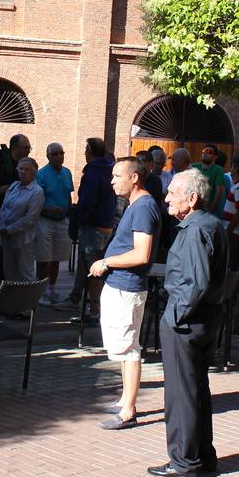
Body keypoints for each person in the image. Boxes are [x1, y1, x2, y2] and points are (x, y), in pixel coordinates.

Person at [149, 168, 227, 477]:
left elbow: (195, 281)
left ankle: (184, 460)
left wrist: (175, 316)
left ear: (192, 198)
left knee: (182, 393)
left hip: (188, 322)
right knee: (195, 390)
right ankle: (200, 456)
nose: (167, 198)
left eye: (173, 193)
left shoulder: (196, 229)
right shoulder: (208, 225)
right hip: (200, 319)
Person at [91, 158, 161, 431]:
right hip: (120, 286)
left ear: (134, 178)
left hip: (127, 287)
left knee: (130, 349)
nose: (112, 180)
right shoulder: (137, 205)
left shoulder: (144, 207)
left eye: (117, 175)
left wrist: (106, 262)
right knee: (123, 347)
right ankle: (124, 400)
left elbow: (141, 253)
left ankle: (129, 411)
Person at [66, 138, 116, 320]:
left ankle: (95, 310)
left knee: (93, 268)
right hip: (106, 224)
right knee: (86, 264)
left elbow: (88, 199)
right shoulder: (110, 169)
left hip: (93, 225)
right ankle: (75, 298)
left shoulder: (94, 171)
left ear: (90, 151)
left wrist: (81, 219)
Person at [36, 142, 74, 307]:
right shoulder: (41, 174)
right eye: (55, 154)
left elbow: (68, 196)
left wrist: (69, 211)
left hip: (62, 222)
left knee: (57, 257)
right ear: (48, 156)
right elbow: (36, 201)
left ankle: (51, 289)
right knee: (44, 258)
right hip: (46, 221)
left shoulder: (67, 172)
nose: (59, 156)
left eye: (61, 153)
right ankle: (40, 291)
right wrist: (49, 209)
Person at [0, 157, 44, 284]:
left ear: (34, 173)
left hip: (24, 239)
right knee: (9, 274)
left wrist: (8, 230)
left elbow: (30, 219)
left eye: (27, 169)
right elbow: (3, 208)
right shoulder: (13, 186)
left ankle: (28, 303)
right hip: (7, 237)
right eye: (21, 169)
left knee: (25, 274)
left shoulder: (37, 192)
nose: (23, 172)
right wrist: (1, 226)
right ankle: (12, 302)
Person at [194, 144, 227, 215]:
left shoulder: (218, 169)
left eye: (209, 152)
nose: (205, 153)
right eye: (204, 151)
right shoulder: (194, 166)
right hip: (192, 207)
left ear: (215, 157)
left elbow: (220, 192)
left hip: (207, 209)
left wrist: (211, 211)